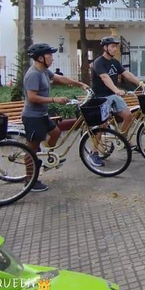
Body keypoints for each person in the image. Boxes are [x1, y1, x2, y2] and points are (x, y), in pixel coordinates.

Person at [23, 42, 89, 191]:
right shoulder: (33, 74)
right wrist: (54, 99)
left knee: (56, 132)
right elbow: (32, 97)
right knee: (31, 149)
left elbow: (60, 79)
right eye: (49, 55)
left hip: (42, 114)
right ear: (40, 58)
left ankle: (46, 156)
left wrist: (80, 84)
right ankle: (29, 181)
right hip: (33, 117)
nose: (52, 58)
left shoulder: (44, 71)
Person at [91, 37, 145, 156]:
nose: (115, 49)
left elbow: (126, 74)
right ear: (105, 48)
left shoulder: (114, 62)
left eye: (116, 46)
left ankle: (122, 138)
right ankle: (94, 152)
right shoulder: (98, 62)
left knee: (128, 116)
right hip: (101, 97)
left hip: (112, 95)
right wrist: (116, 90)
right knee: (102, 125)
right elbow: (105, 77)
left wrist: (140, 83)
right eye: (112, 46)